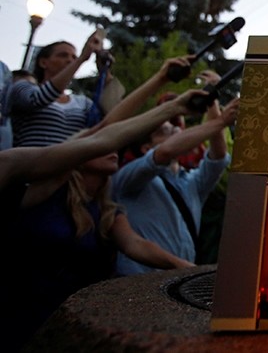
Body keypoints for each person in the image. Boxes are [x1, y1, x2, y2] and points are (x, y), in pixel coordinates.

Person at [0, 91, 206, 352]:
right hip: (19, 319)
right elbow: (102, 134)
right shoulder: (45, 191)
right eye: (103, 146)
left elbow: (136, 245)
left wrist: (192, 270)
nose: (113, 150)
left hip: (71, 325)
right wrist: (172, 102)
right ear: (76, 156)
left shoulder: (106, 210)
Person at [113, 97, 239, 276]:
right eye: (165, 130)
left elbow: (218, 157)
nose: (177, 130)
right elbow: (164, 152)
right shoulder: (131, 178)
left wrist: (212, 102)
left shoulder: (191, 181)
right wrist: (221, 121)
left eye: (176, 128)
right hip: (138, 282)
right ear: (146, 148)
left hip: (180, 280)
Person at [8, 31, 120, 147]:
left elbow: (111, 116)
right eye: (63, 55)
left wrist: (105, 72)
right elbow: (37, 99)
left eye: (73, 57)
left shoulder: (82, 103)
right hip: (29, 163)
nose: (70, 60)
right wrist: (81, 59)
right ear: (43, 62)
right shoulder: (23, 87)